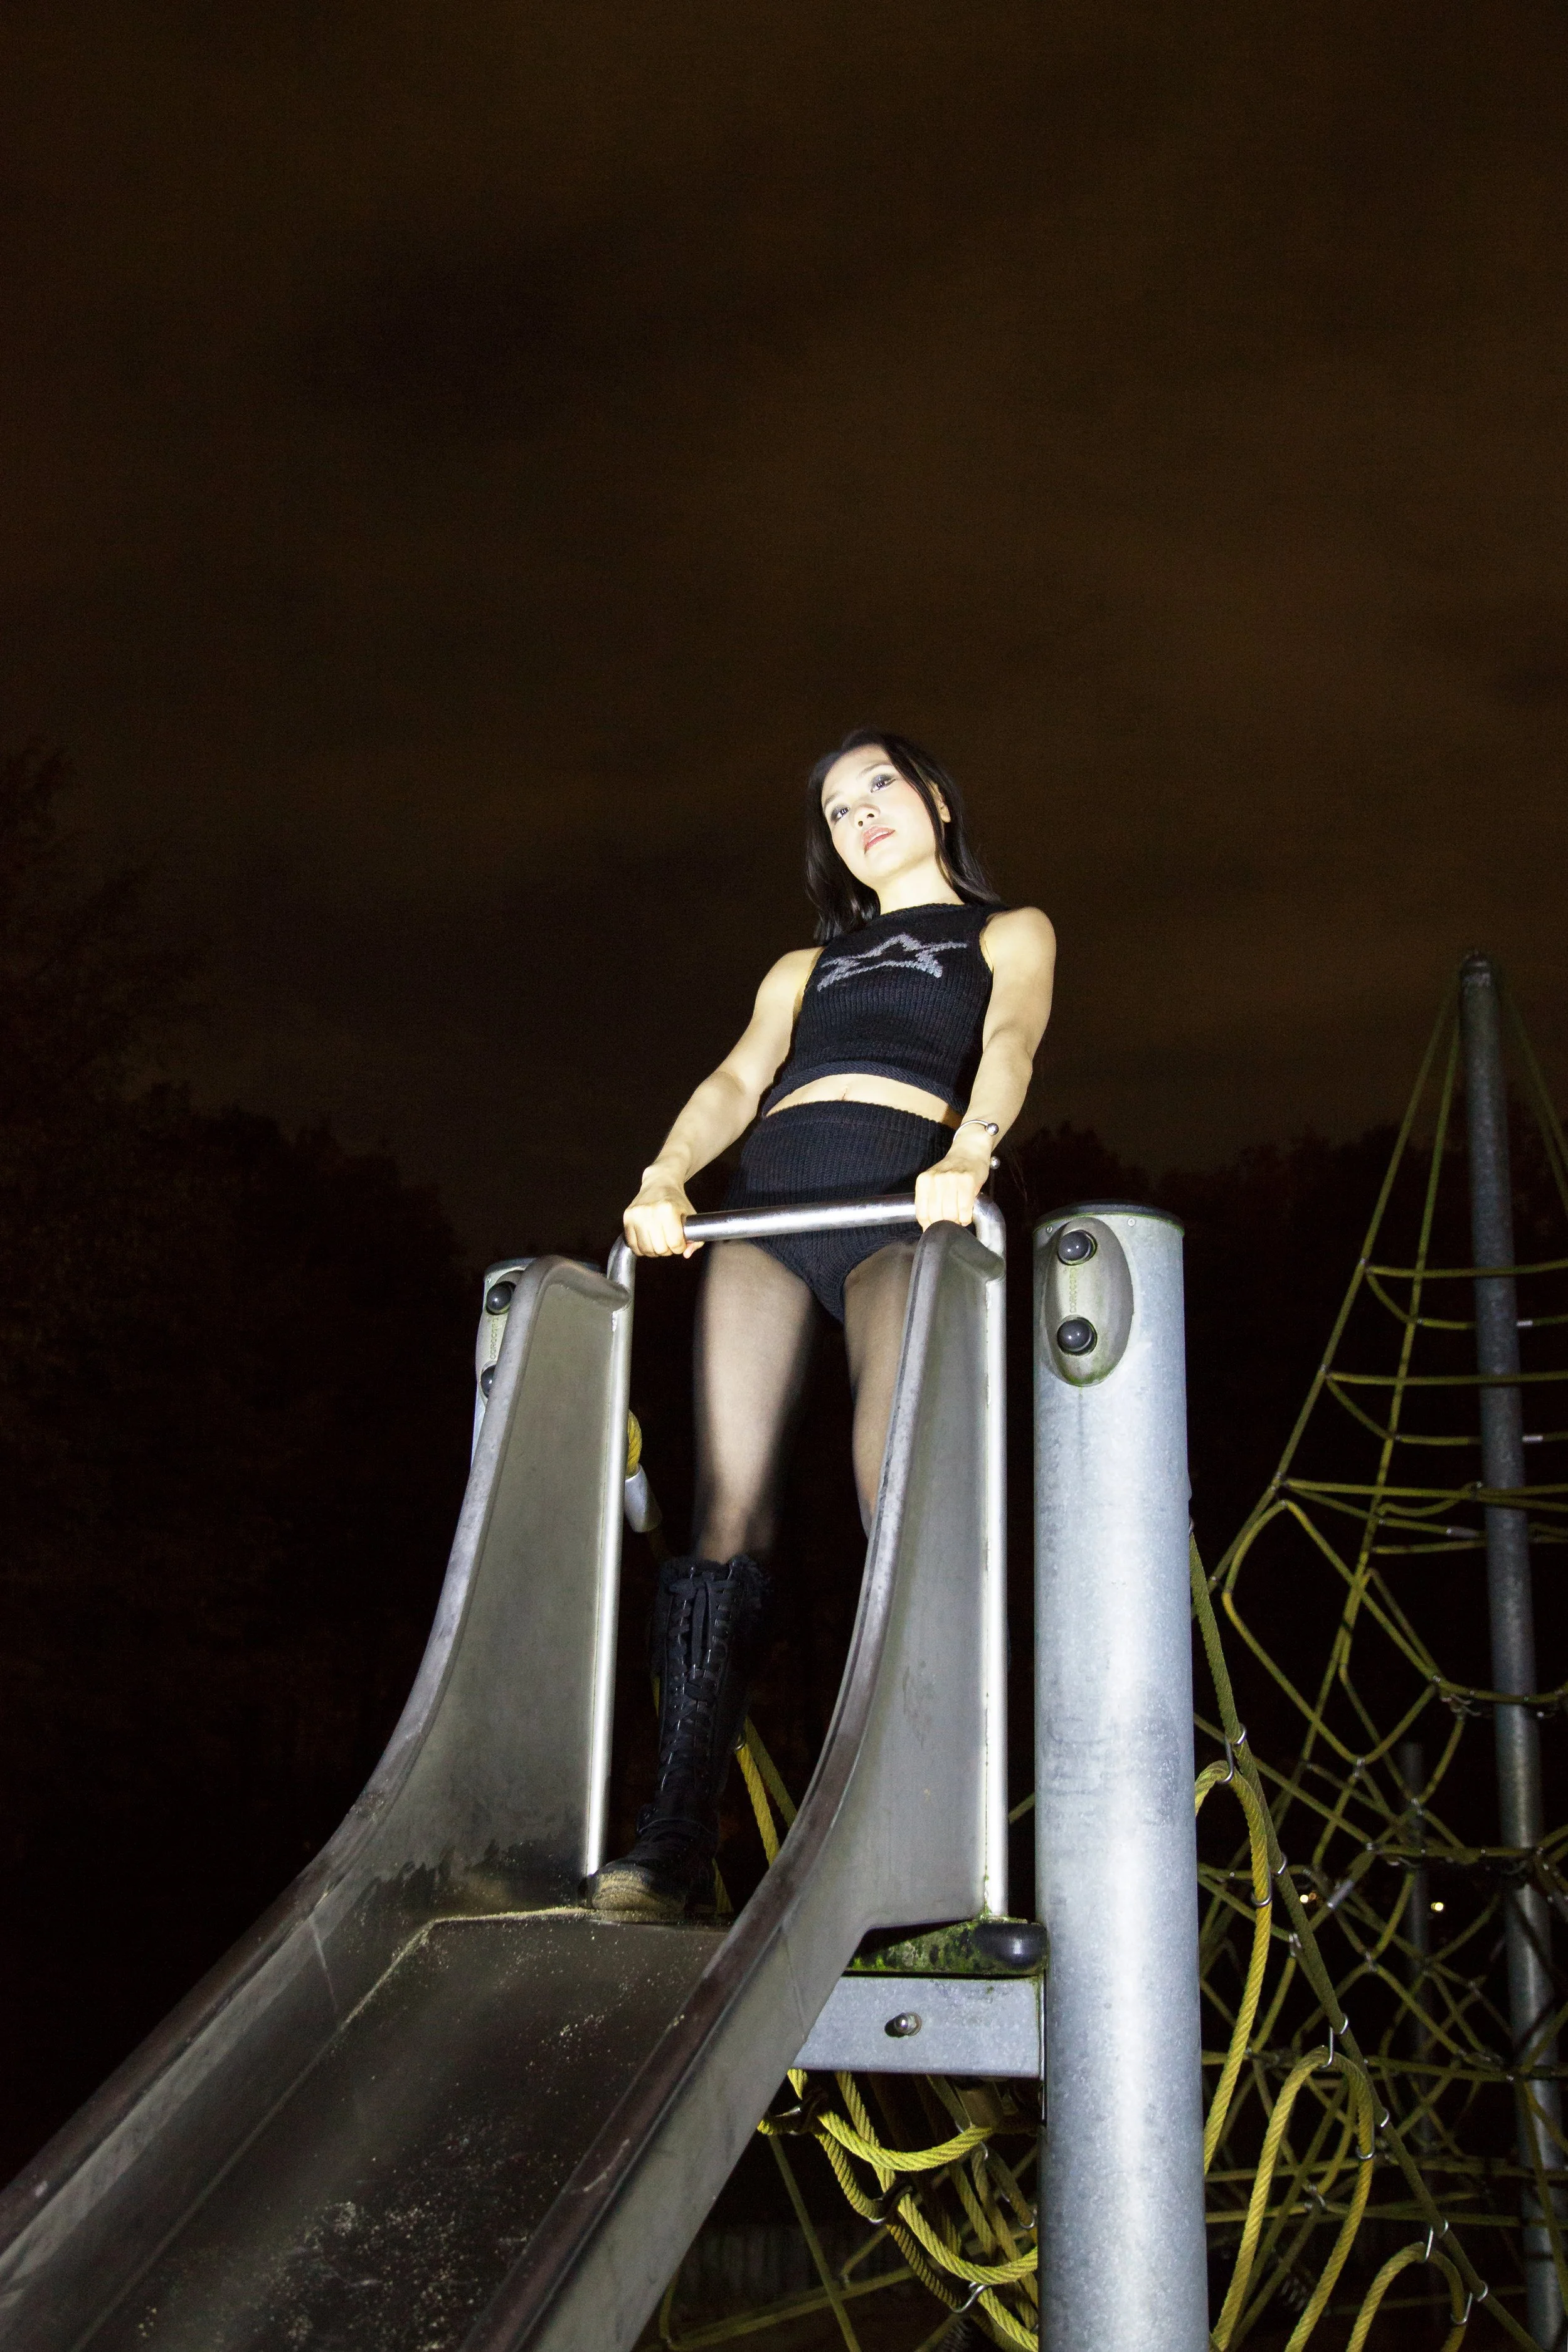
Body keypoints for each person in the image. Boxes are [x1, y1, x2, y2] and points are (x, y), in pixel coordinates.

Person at [585, 729, 1056, 1920]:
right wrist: (666, 1175)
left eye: (880, 788)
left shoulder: (1005, 934)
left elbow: (1009, 1044)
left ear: (938, 800)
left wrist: (966, 1153)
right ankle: (678, 1831)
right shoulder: (805, 968)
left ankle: (907, 1818)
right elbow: (738, 1080)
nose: (859, 817)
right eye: (837, 810)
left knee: (887, 1491)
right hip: (774, 1211)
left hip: (902, 1203)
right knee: (726, 1509)